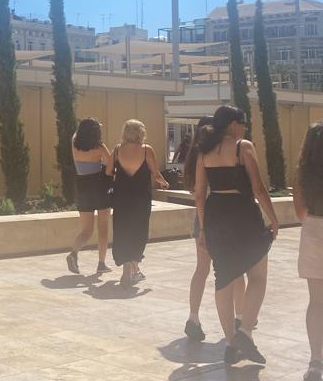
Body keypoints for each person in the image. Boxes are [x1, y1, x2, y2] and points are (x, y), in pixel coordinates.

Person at [193, 105, 280, 366]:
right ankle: (244, 331)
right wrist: (273, 218)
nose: (244, 126)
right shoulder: (243, 146)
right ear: (232, 124)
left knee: (224, 278)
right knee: (258, 275)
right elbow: (258, 187)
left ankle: (231, 342)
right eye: (242, 122)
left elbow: (199, 193)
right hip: (243, 213)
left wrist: (204, 226)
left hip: (216, 214)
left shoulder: (204, 151)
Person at [184, 116, 246, 342]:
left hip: (202, 219)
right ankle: (240, 319)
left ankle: (193, 317)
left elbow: (196, 192)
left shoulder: (194, 158)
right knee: (236, 270)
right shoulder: (218, 155)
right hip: (223, 217)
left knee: (202, 268)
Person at [112, 119, 169, 287]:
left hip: (121, 197)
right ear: (140, 132)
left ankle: (127, 269)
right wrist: (164, 183)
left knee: (122, 230)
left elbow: (108, 170)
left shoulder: (116, 149)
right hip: (140, 198)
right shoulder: (146, 150)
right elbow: (155, 173)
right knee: (138, 230)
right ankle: (132, 268)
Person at [65, 118, 113, 275]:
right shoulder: (99, 146)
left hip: (82, 186)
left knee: (86, 229)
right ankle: (101, 263)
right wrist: (106, 173)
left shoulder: (74, 142)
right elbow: (110, 164)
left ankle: (73, 253)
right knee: (103, 227)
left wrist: (91, 126)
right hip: (99, 185)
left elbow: (79, 133)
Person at [296, 122, 323, 380]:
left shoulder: (304, 172)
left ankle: (316, 360)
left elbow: (299, 209)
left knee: (316, 301)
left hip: (314, 227)